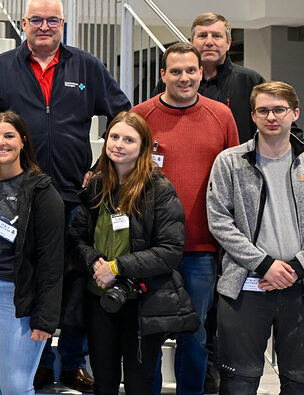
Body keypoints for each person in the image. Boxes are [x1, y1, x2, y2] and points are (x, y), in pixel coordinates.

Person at [0, 0, 130, 392]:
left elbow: (122, 113)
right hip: (20, 194)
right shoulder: (1, 68)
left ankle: (72, 361)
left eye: (52, 20)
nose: (44, 27)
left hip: (72, 193)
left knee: (77, 278)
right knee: (32, 275)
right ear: (23, 23)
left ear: (63, 23)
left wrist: (102, 165)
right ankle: (41, 362)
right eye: (36, 20)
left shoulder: (85, 66)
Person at [206, 81, 304, 395]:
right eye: (263, 110)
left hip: (302, 287)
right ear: (253, 116)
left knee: (301, 383)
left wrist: (295, 268)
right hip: (245, 286)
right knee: (237, 382)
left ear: (295, 113)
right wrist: (265, 264)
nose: (271, 117)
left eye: (279, 109)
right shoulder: (230, 162)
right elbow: (220, 221)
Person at [131, 42, 239, 395]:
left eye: (191, 71)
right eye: (175, 71)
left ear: (200, 73)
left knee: (195, 334)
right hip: (148, 249)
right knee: (149, 332)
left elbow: (234, 179)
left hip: (201, 247)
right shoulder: (140, 117)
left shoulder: (220, 116)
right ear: (162, 75)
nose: (184, 78)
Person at [68, 112, 196, 395]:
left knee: (139, 384)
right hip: (99, 298)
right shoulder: (97, 185)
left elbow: (170, 250)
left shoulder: (159, 188)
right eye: (114, 137)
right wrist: (95, 264)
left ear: (144, 146)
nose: (119, 144)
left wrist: (117, 268)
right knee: (104, 382)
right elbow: (76, 239)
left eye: (129, 139)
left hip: (142, 301)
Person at [0, 111, 64, 395]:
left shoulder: (42, 190)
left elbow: (52, 259)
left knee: (16, 387)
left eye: (9, 136)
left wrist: (46, 318)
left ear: (22, 141)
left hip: (17, 297)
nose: (1, 143)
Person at [191, 13, 267, 141]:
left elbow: (280, 123)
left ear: (228, 43)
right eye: (202, 36)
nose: (209, 42)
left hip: (238, 160)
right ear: (191, 42)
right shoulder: (175, 83)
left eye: (217, 36)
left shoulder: (250, 81)